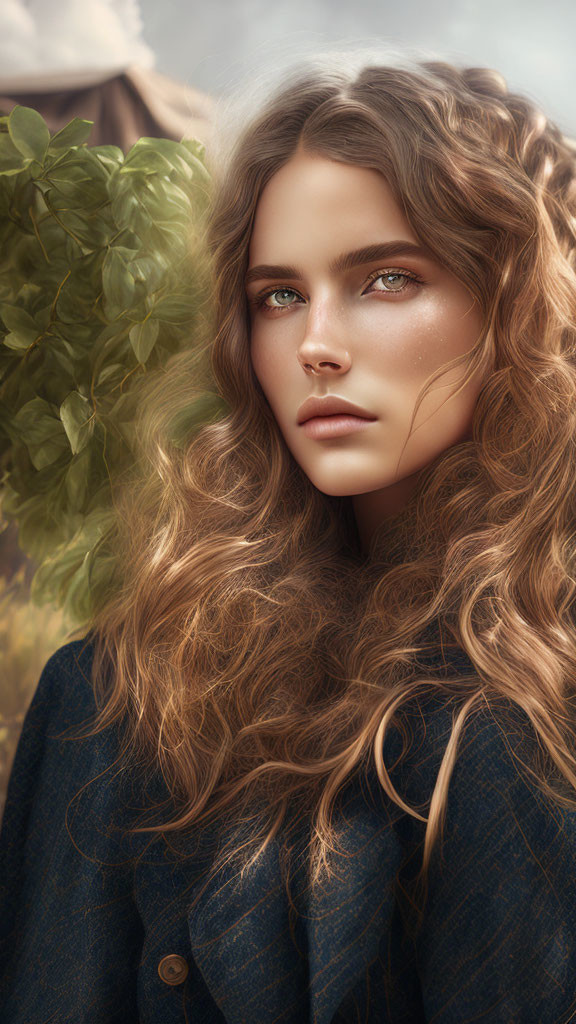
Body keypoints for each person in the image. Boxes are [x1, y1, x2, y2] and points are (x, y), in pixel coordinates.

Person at [2, 49, 576, 1023]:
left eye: (385, 278)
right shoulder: (114, 704)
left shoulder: (516, 725)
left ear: (512, 307)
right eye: (279, 295)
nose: (314, 341)